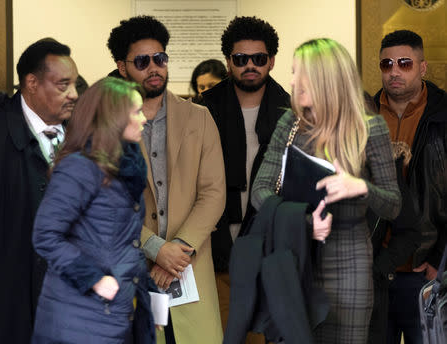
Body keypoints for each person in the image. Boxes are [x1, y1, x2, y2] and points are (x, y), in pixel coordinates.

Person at [251, 38, 401, 343]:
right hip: (295, 257)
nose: (291, 81)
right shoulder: (289, 123)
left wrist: (360, 187)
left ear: (325, 77)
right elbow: (260, 191)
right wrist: (301, 221)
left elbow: (393, 205)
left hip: (350, 263)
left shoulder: (369, 128)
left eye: (299, 73)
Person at [107, 15, 226, 344]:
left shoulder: (199, 118)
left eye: (159, 58)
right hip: (132, 267)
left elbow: (213, 193)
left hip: (190, 267)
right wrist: (155, 248)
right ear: (122, 67)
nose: (154, 68)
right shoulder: (109, 125)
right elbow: (110, 202)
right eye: (142, 61)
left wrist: (177, 251)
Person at [30, 77, 158, 343]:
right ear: (112, 118)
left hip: (117, 314)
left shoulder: (126, 168)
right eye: (136, 112)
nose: (144, 119)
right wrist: (95, 279)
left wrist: (148, 301)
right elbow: (45, 235)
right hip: (79, 320)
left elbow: (124, 244)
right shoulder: (80, 167)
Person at [201, 16, 290, 340]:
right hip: (215, 249)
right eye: (241, 59)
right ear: (228, 61)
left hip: (268, 247)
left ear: (272, 60)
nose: (250, 65)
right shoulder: (205, 108)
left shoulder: (290, 111)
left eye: (259, 58)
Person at [0, 40, 78, 344]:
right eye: (63, 85)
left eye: (74, 84)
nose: (74, 94)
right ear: (31, 83)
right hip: (12, 307)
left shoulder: (88, 134)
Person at [370, 29, 447, 344]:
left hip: (424, 268)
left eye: (404, 63)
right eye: (386, 65)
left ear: (422, 67)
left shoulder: (443, 116)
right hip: (375, 268)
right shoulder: (364, 114)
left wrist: (440, 258)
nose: (394, 72)